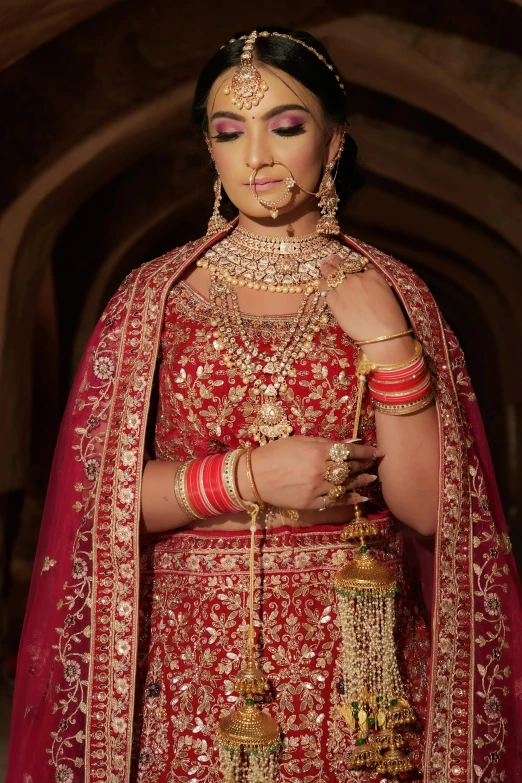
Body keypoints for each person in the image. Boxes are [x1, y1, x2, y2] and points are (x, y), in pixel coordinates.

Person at [6, 27, 522, 783]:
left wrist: (391, 347)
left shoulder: (395, 292)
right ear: (208, 151)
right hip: (184, 671)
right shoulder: (154, 299)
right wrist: (248, 477)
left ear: (335, 141)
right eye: (228, 131)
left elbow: (431, 511)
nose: (257, 157)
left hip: (363, 671)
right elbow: (94, 504)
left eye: (286, 126)